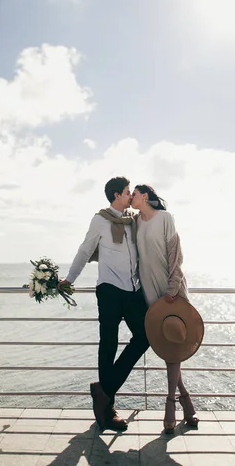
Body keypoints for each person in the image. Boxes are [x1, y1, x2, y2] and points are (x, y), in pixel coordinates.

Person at [59, 176, 149, 432]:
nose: (131, 195)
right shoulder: (100, 220)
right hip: (109, 289)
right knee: (108, 345)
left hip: (133, 290)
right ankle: (107, 408)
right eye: (127, 192)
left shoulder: (133, 220)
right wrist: (69, 279)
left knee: (145, 336)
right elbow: (85, 250)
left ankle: (103, 389)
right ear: (116, 196)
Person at [131, 184, 199, 433]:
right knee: (168, 345)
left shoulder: (165, 218)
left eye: (134, 194)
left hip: (172, 290)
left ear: (145, 196)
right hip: (150, 292)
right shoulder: (135, 222)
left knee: (175, 345)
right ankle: (186, 401)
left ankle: (170, 403)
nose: (131, 198)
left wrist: (172, 288)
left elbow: (176, 256)